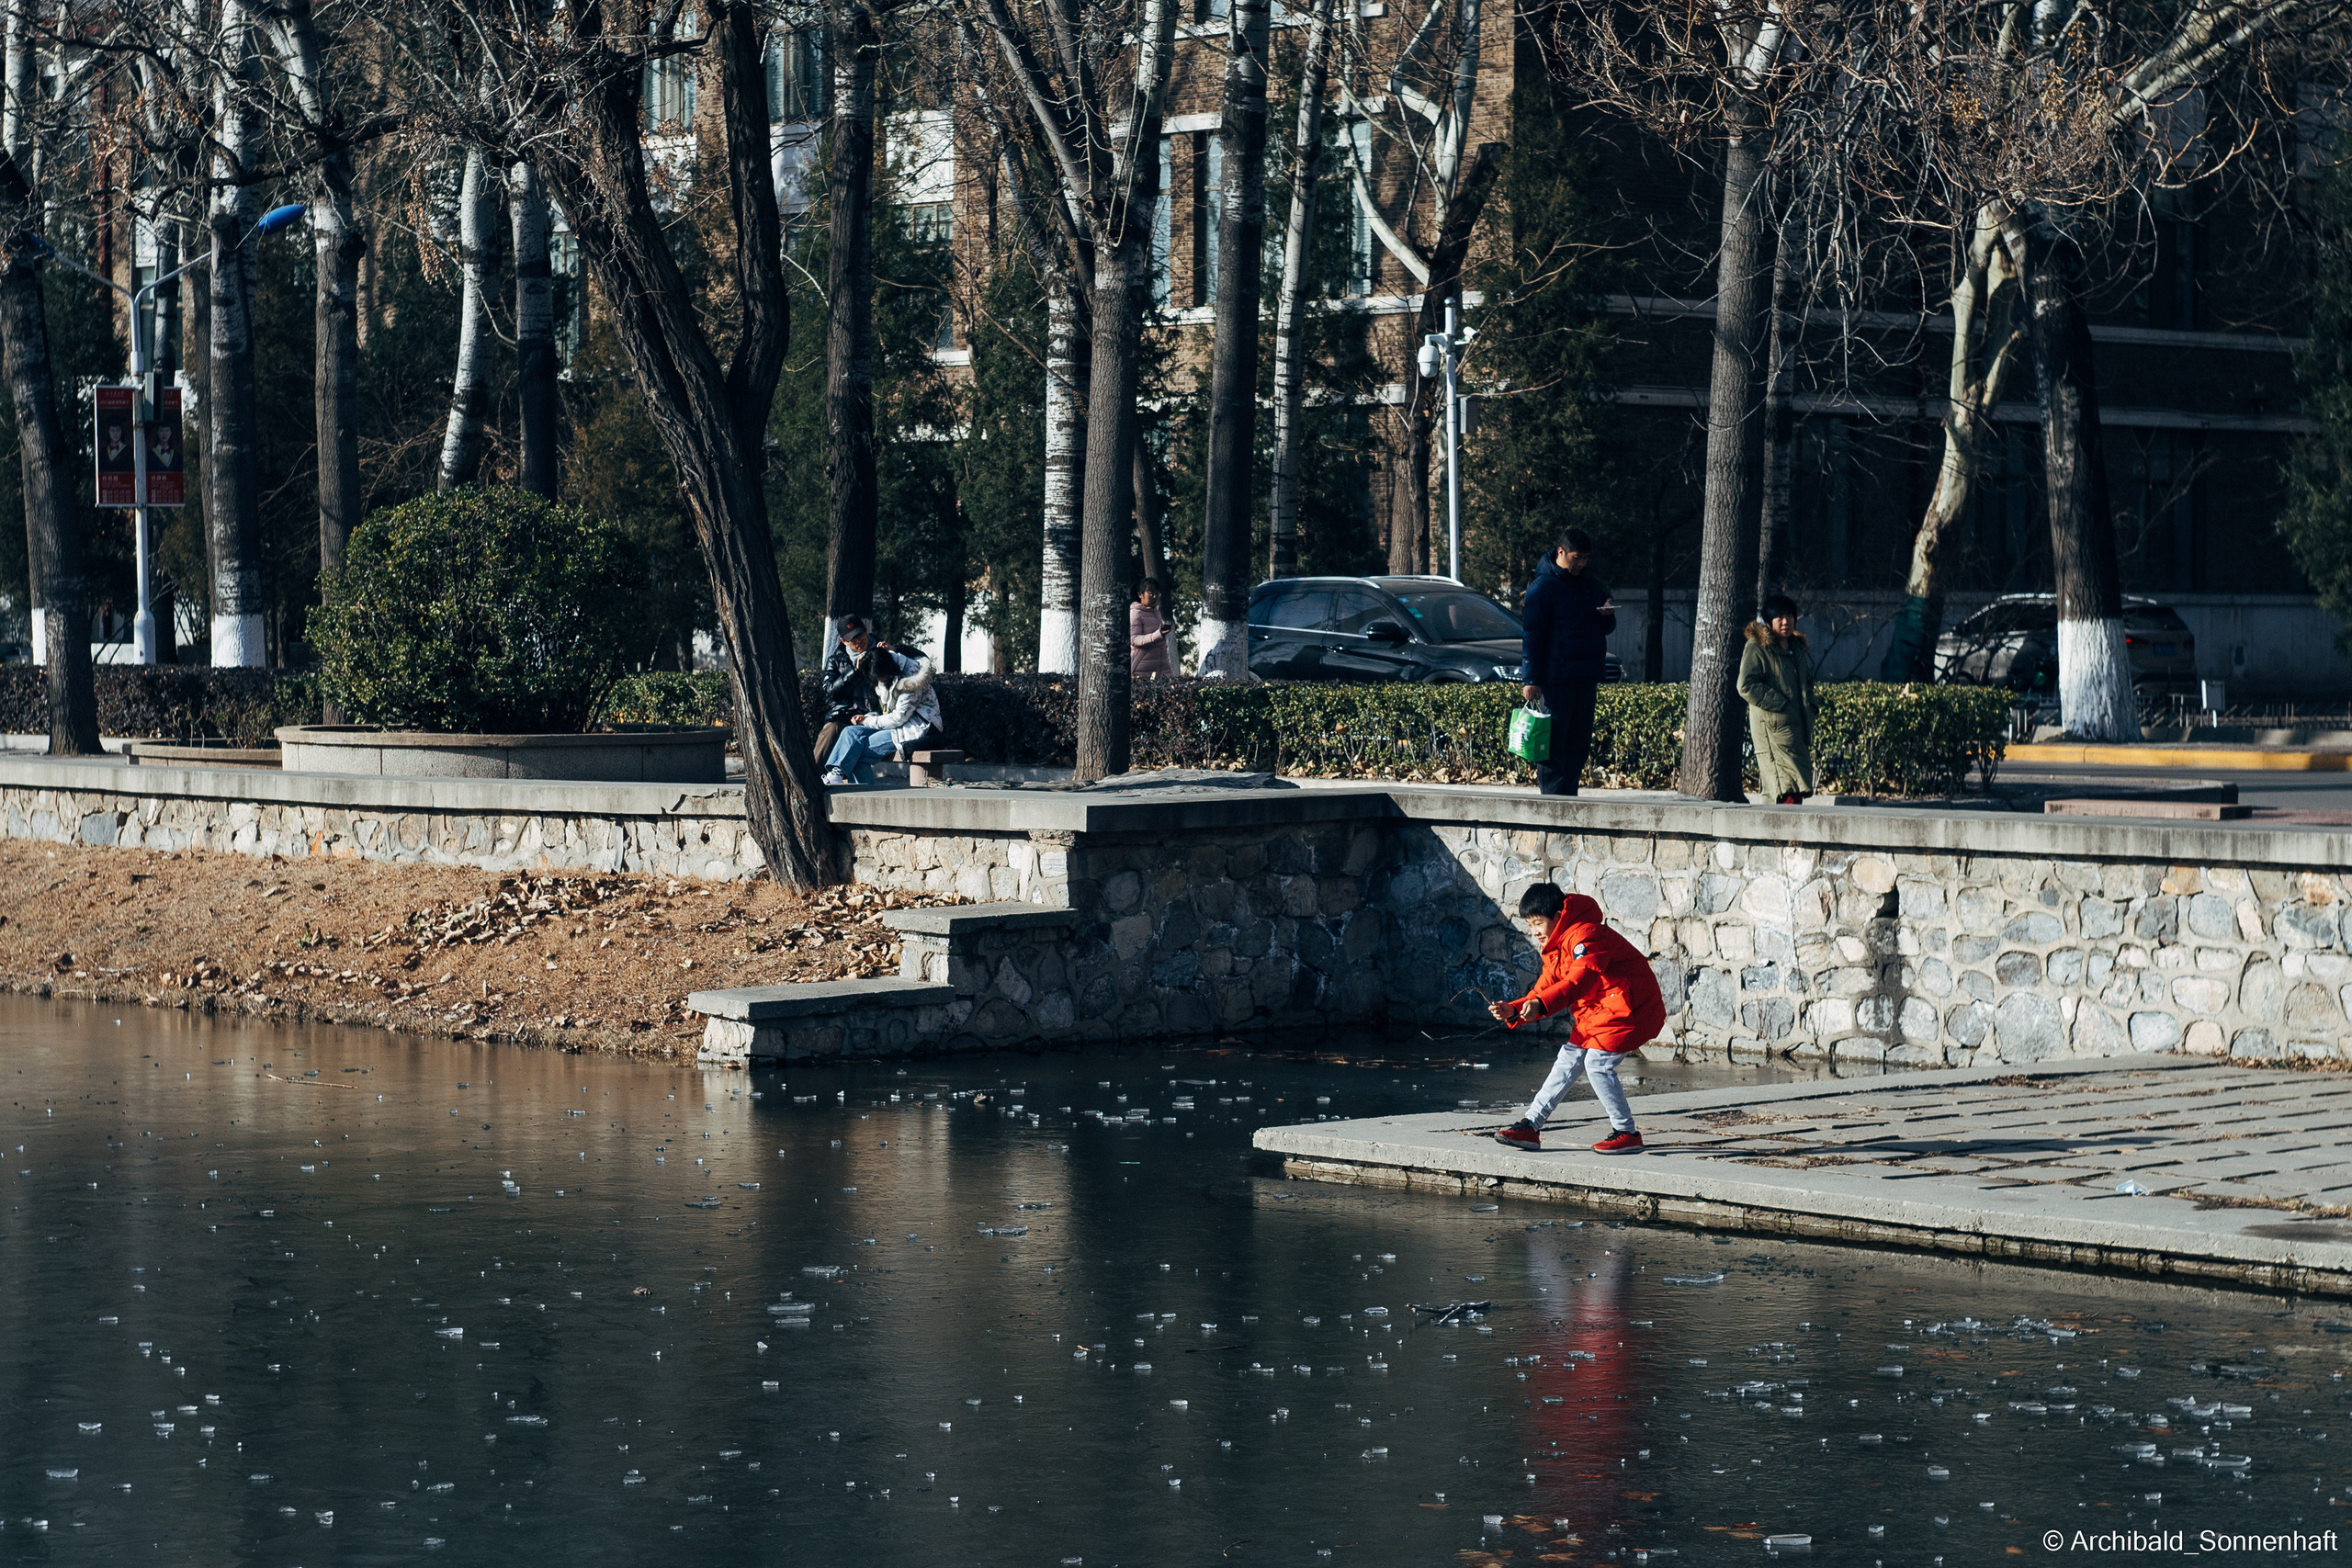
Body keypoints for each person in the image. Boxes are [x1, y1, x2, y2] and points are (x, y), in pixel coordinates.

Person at [1488, 883, 1665, 1154]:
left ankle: (1627, 1133)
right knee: (1567, 1060)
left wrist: (1540, 1004)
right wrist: (1514, 1009)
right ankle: (1530, 1127)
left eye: (1538, 923)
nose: (1535, 931)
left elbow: (1580, 980)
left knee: (1597, 1064)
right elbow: (1544, 988)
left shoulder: (1587, 935)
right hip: (1599, 1014)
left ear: (1558, 916)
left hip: (1631, 1011)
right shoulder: (1557, 947)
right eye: (1530, 925)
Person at [1519, 527, 1616, 796]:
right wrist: (1531, 679)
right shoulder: (1542, 587)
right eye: (1577, 557)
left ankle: (1568, 796)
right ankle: (1552, 799)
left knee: (1579, 743)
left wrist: (1607, 615)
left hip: (1585, 675)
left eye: (1586, 558)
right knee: (1553, 744)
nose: (1581, 563)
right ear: (1561, 552)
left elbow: (1605, 628)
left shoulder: (1590, 584)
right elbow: (1532, 635)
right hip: (1556, 677)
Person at [821, 640, 944, 786]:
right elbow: (888, 712)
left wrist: (866, 722)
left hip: (920, 726)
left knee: (859, 753)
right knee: (850, 732)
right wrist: (867, 718)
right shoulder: (881, 666)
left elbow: (899, 717)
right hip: (900, 725)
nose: (879, 681)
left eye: (881, 678)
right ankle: (836, 772)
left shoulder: (911, 678)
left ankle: (865, 798)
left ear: (889, 670)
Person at [1738, 592, 1818, 806]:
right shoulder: (1757, 646)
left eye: (1790, 616)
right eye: (1780, 617)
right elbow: (1746, 685)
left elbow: (1807, 682)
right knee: (1784, 783)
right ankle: (1784, 836)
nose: (1786, 622)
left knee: (1791, 783)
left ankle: (1774, 836)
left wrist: (1811, 705)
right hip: (1773, 728)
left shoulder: (1796, 647)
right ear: (1769, 620)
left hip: (1797, 726)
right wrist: (1780, 704)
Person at [813, 615, 877, 766]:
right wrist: (855, 672)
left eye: (860, 635)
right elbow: (830, 692)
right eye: (852, 639)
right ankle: (811, 780)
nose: (858, 641)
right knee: (832, 730)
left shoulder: (882, 652)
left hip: (876, 715)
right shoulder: (836, 659)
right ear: (843, 641)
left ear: (866, 630)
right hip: (847, 717)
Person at [1129, 579, 1174, 679]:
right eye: (1150, 594)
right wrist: (1158, 635)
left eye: (1157, 594)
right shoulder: (1135, 613)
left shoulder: (1156, 612)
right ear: (1140, 594)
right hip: (1141, 669)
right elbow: (1134, 639)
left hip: (1162, 668)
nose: (1154, 597)